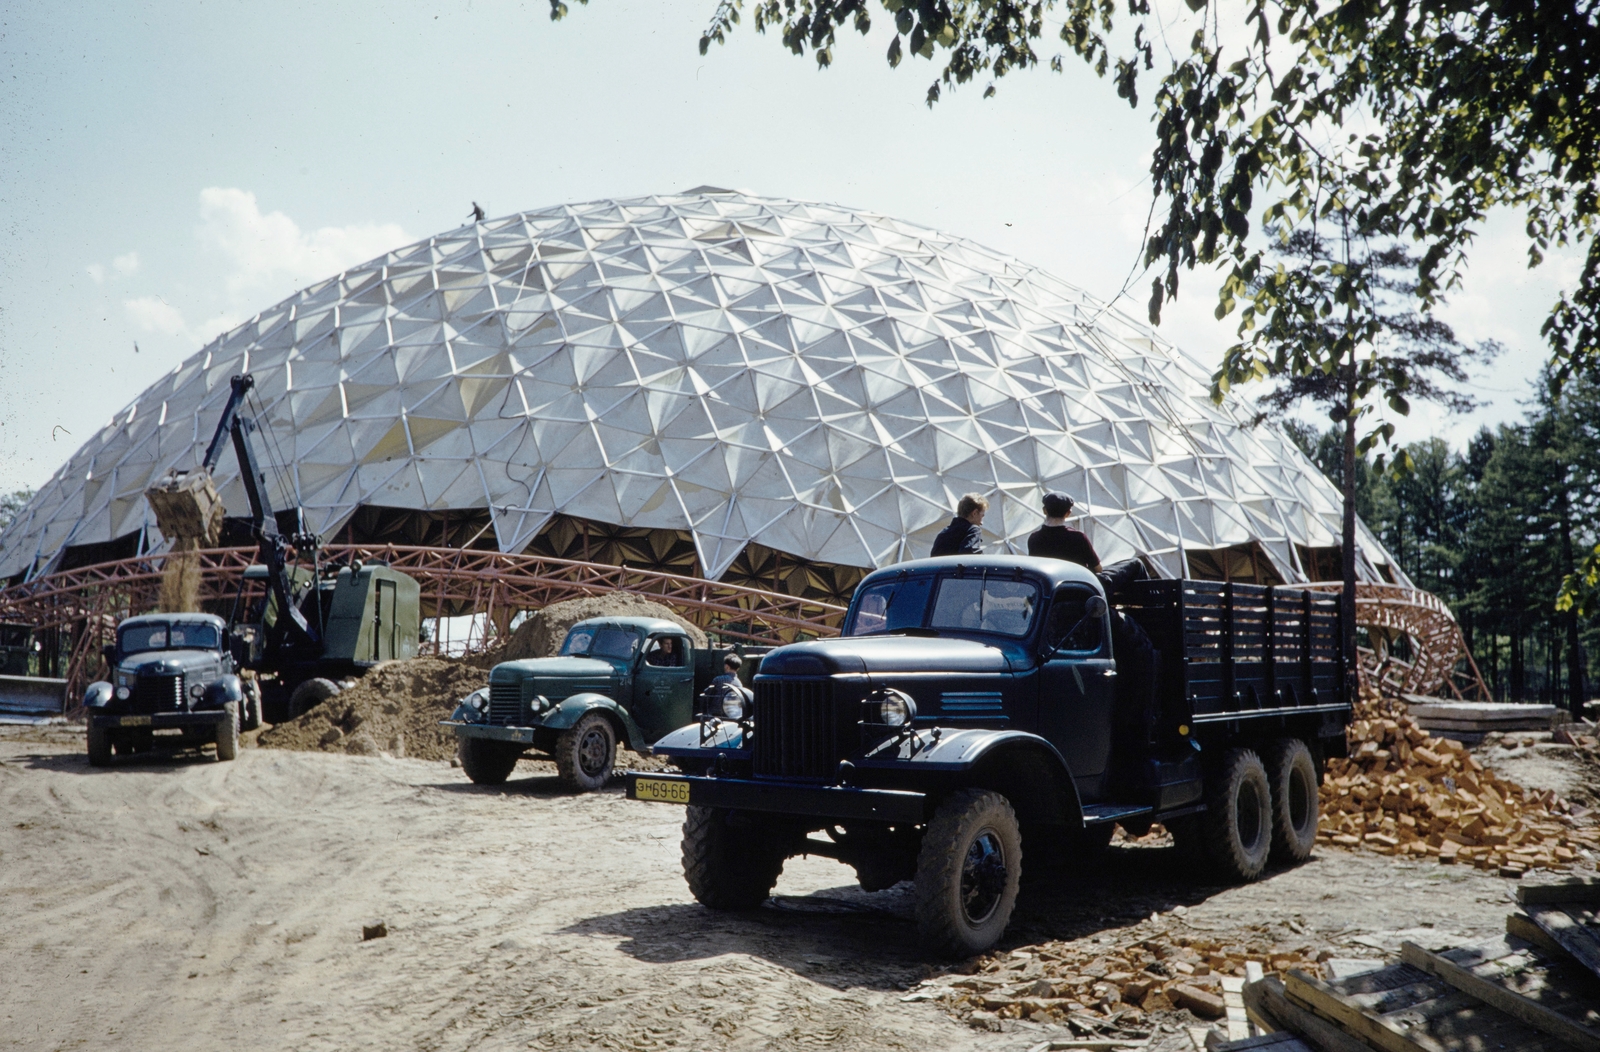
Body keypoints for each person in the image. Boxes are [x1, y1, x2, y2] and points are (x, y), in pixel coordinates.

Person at [1026, 492, 1101, 571]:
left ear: (1044, 510)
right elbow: (1098, 569)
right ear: (1068, 513)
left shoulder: (1034, 539)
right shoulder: (1079, 538)